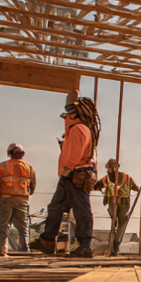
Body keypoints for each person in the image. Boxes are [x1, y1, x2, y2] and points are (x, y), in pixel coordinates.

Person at [29, 96, 100, 258]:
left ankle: (85, 245)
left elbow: (76, 152)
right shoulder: (78, 129)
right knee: (56, 207)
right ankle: (47, 240)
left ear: (77, 113)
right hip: (73, 174)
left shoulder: (79, 129)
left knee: (82, 209)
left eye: (70, 111)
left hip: (75, 173)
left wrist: (67, 168)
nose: (66, 114)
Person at [0, 143, 36, 254]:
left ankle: (2, 248)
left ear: (9, 154)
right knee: (23, 225)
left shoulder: (0, 167)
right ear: (22, 154)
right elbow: (33, 186)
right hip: (22, 199)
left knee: (3, 224)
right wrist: (26, 194)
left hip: (6, 198)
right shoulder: (29, 168)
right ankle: (25, 247)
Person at [95, 158, 138, 256]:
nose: (109, 170)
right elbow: (97, 185)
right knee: (117, 224)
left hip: (121, 203)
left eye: (110, 167)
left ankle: (116, 244)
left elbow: (135, 187)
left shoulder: (124, 178)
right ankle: (114, 245)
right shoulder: (110, 178)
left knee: (119, 224)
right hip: (115, 203)